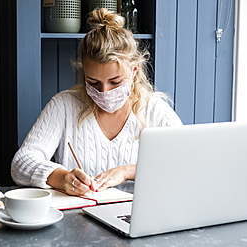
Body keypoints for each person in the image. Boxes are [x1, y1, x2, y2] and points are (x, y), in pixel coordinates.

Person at [11, 8, 182, 196]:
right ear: (83, 73)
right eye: (93, 82)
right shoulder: (64, 106)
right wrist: (62, 178)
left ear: (134, 70)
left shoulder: (155, 111)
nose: (104, 91)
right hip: (76, 219)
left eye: (115, 82)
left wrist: (128, 171)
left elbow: (187, 164)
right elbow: (21, 163)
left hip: (136, 218)